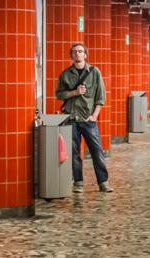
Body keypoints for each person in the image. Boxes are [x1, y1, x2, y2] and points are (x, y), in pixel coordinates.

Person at [55, 43, 113, 193]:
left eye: (80, 52)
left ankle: (103, 182)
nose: (77, 54)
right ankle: (78, 183)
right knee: (74, 153)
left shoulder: (95, 72)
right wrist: (74, 92)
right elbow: (59, 94)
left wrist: (95, 116)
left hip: (88, 120)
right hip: (71, 119)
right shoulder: (66, 74)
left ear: (85, 55)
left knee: (96, 151)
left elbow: (101, 96)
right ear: (71, 56)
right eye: (74, 52)